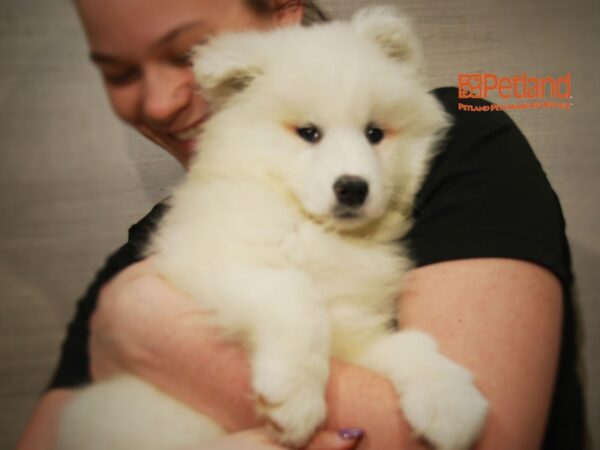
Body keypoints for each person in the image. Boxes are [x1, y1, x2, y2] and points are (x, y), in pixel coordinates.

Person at [17, 0, 587, 449]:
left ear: (282, 7)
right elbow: (223, 274)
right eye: (119, 71)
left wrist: (420, 369)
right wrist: (294, 331)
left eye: (188, 49)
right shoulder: (214, 213)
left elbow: (363, 347)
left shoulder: (466, 144)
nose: (162, 103)